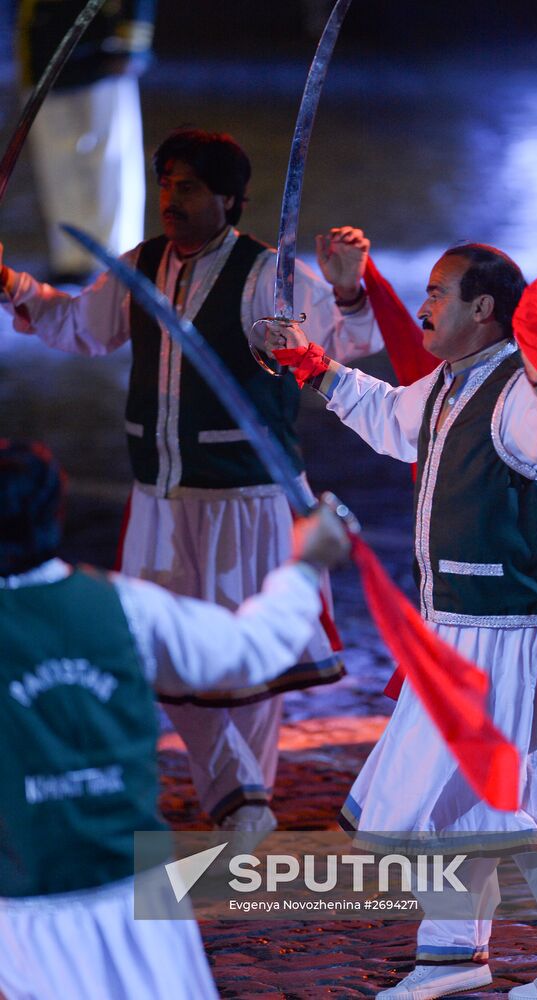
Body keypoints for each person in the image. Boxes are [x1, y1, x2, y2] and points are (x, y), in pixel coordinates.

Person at [266, 244, 537, 1000]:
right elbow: (384, 414)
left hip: (524, 636)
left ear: (482, 309)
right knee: (439, 798)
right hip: (457, 635)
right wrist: (308, 362)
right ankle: (451, 953)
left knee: (531, 801)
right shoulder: (446, 386)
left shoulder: (522, 393)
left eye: (437, 293)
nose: (423, 306)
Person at [0, 126, 382, 833]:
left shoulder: (269, 275)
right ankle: (240, 794)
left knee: (248, 659)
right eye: (167, 183)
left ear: (229, 200)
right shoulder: (141, 266)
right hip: (160, 498)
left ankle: (244, 796)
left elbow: (351, 340)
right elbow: (78, 325)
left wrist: (348, 286)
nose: (171, 200)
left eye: (190, 187)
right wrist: (11, 284)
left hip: (246, 499)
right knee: (159, 647)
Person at [0, 438, 350, 1000]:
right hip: (134, 896)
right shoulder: (124, 605)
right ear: (53, 512)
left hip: (21, 912)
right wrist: (305, 567)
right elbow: (249, 649)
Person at [16, 0, 157, 284]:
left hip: (100, 45)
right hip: (44, 47)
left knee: (109, 162)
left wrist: (133, 40)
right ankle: (70, 261)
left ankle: (115, 259)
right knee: (56, 165)